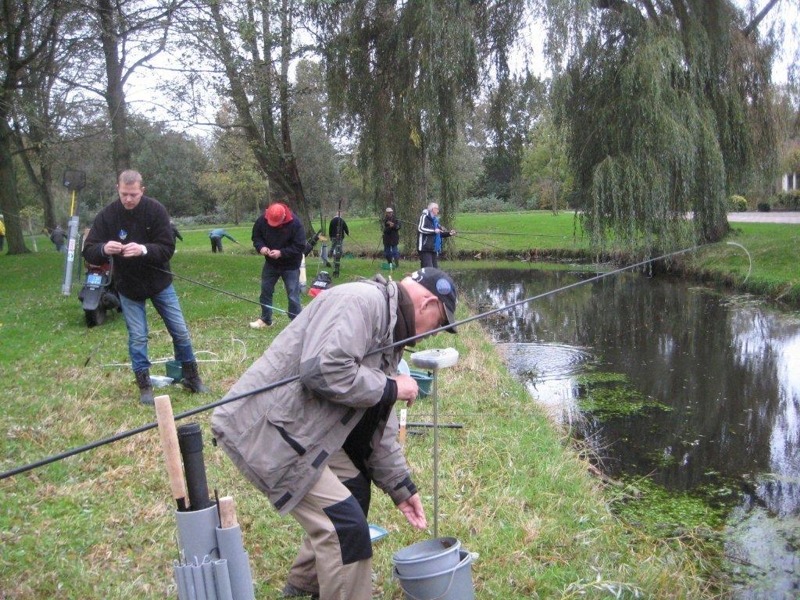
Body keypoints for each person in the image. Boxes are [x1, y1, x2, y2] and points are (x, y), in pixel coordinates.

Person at [211, 267, 458, 600]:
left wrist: (401, 485)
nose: (434, 333)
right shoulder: (361, 302)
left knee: (354, 489)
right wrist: (390, 386)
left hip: (303, 430)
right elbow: (324, 369)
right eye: (440, 322)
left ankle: (304, 587)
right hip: (268, 431)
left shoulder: (389, 327)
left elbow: (376, 424)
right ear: (427, 303)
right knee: (346, 530)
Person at [82, 170, 209, 405]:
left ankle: (192, 378)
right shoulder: (107, 215)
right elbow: (88, 250)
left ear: (142, 190)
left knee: (180, 331)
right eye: (123, 194)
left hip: (159, 283)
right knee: (138, 337)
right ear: (117, 189)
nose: (128, 199)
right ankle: (145, 386)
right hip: (128, 286)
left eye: (133, 194)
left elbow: (167, 248)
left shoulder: (156, 210)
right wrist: (103, 249)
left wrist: (143, 250)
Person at [250, 202, 306, 329]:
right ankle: (265, 319)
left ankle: (296, 321)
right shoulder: (262, 220)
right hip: (271, 263)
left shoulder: (295, 224)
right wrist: (261, 247)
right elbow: (256, 237)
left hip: (291, 265)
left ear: (283, 216)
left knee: (293, 294)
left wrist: (281, 253)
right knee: (265, 290)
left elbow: (300, 246)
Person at [417, 202, 456, 268]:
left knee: (435, 270)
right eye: (437, 209)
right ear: (433, 209)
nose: (438, 210)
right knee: (429, 270)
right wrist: (434, 231)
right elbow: (421, 229)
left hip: (433, 248)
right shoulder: (424, 217)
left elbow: (439, 232)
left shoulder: (435, 220)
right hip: (425, 248)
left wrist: (449, 233)